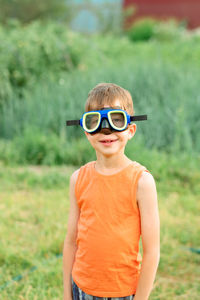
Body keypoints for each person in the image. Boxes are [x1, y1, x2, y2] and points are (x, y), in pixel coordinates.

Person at [63, 83, 160, 300]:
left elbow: (152, 251)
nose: (106, 129)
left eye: (117, 120)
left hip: (123, 293)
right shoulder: (78, 179)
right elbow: (71, 241)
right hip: (82, 289)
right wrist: (66, 294)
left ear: (131, 129)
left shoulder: (142, 182)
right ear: (86, 132)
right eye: (95, 121)